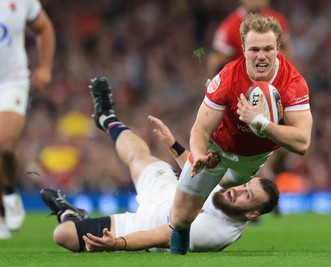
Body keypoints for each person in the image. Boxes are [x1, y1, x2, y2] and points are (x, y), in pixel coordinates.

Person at [40, 76, 280, 253]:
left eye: (247, 196)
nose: (238, 189)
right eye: (245, 186)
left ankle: (71, 214)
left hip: (144, 226)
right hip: (168, 191)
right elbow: (199, 173)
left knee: (63, 236)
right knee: (138, 156)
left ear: (252, 213)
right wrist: (175, 145)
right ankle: (107, 118)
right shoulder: (230, 194)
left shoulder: (215, 233)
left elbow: (162, 235)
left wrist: (118, 243)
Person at [169, 14, 313, 255]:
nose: (261, 56)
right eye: (254, 49)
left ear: (278, 48)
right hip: (216, 150)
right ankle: (178, 252)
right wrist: (197, 154)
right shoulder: (227, 78)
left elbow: (302, 142)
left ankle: (216, 201)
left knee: (229, 188)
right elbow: (201, 129)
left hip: (253, 160)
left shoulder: (293, 83)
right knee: (181, 218)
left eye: (268, 49)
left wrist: (259, 122)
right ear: (243, 49)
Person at [0, 0, 55, 239]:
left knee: (4, 145)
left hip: (12, 81)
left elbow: (44, 28)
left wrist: (45, 68)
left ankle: (10, 191)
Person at [207, 0, 294, 77]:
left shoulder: (278, 20)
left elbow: (288, 53)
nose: (257, 2)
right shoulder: (229, 27)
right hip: (243, 86)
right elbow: (216, 63)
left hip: (273, 83)